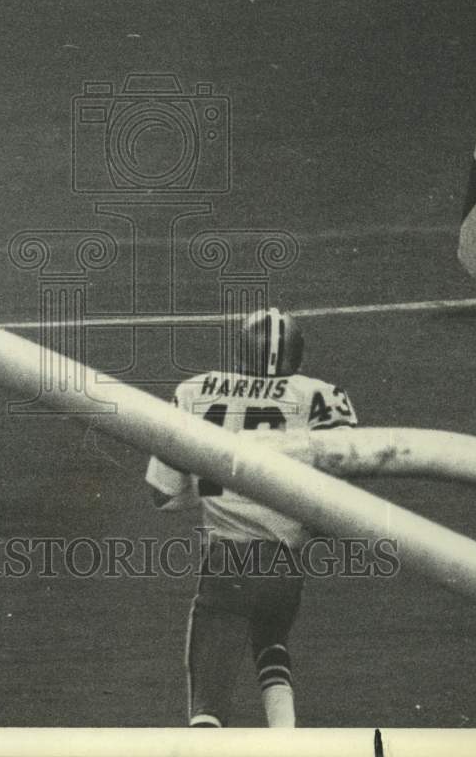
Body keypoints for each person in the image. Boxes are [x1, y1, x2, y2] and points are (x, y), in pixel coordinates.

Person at [146, 307, 357, 728]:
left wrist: (212, 485)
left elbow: (161, 493)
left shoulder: (195, 390)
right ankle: (286, 739)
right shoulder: (323, 396)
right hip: (286, 566)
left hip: (227, 565)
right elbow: (340, 498)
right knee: (271, 643)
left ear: (239, 353)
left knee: (207, 708)